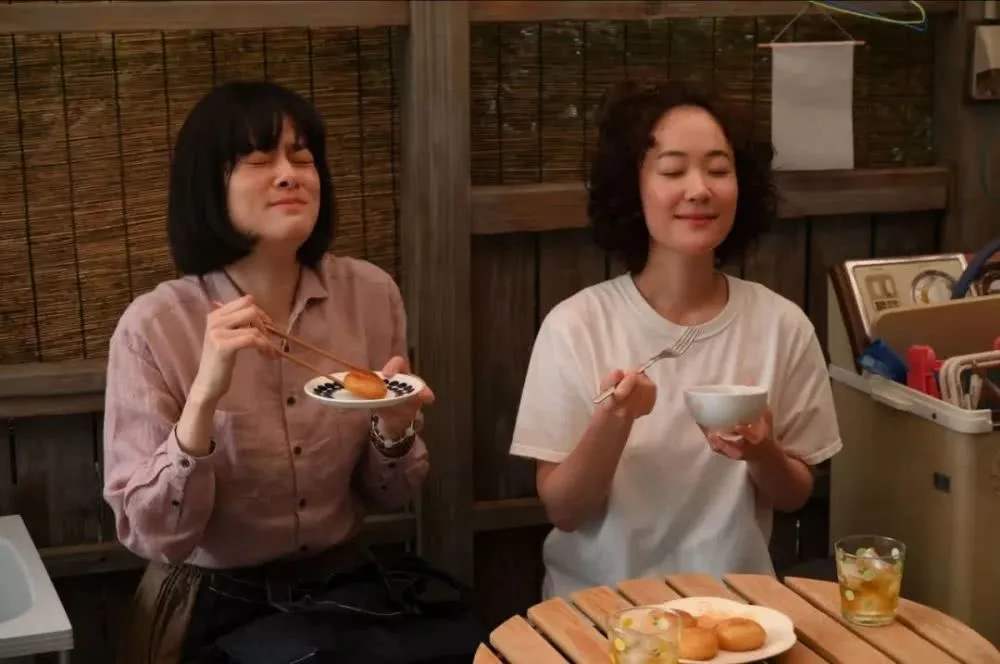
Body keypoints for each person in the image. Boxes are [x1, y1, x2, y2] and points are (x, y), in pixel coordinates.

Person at [103, 81, 479, 663]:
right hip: (215, 600)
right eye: (259, 160)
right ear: (209, 186)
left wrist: (394, 430)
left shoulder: (370, 295)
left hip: (341, 590)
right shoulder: (153, 326)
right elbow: (155, 535)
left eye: (302, 158)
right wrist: (203, 398)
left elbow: (391, 493)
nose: (289, 175)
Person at [509, 81, 843, 598]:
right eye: (672, 171)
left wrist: (761, 451)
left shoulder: (782, 325)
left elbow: (794, 495)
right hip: (598, 613)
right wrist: (615, 418)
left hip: (735, 610)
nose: (699, 189)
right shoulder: (576, 325)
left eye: (718, 170)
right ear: (632, 188)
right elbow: (565, 510)